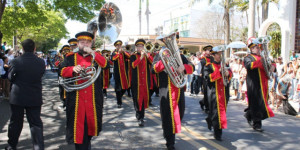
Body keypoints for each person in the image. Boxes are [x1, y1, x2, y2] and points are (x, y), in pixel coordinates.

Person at [59, 32, 108, 150]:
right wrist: (72, 69)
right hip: (76, 100)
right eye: (82, 42)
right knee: (77, 131)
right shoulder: (70, 57)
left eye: (87, 42)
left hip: (93, 99)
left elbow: (105, 64)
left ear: (91, 44)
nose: (85, 44)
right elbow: (61, 71)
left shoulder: (96, 57)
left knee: (90, 129)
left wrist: (93, 53)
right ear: (78, 44)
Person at [5, 39, 45, 150]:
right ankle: (38, 147)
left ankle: (12, 145)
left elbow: (10, 77)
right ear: (34, 49)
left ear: (22, 48)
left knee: (15, 123)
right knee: (35, 123)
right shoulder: (41, 62)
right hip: (34, 96)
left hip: (18, 96)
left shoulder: (16, 61)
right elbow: (41, 74)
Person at [152, 47, 194, 150]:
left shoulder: (179, 56)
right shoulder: (160, 55)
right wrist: (164, 61)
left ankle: (170, 135)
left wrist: (184, 67)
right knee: (167, 117)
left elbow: (192, 66)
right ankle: (170, 141)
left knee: (180, 113)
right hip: (165, 91)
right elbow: (153, 69)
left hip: (178, 90)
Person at [243, 38, 275, 132]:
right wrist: (261, 61)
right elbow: (249, 65)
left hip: (264, 84)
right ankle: (257, 124)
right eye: (256, 47)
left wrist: (273, 66)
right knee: (257, 104)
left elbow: (272, 63)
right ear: (251, 49)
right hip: (254, 84)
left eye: (258, 47)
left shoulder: (262, 57)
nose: (258, 49)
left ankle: (249, 115)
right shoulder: (248, 57)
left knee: (259, 103)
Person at [204, 46, 232, 141]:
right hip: (214, 93)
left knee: (221, 112)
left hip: (224, 93)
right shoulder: (208, 66)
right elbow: (208, 78)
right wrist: (219, 73)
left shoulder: (225, 65)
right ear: (214, 55)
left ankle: (210, 119)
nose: (220, 56)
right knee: (216, 113)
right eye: (218, 54)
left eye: (221, 54)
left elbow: (230, 75)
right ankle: (218, 133)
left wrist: (228, 74)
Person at [130, 39, 152, 126]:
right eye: (139, 46)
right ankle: (139, 116)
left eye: (142, 46)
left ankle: (141, 117)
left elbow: (153, 62)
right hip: (136, 82)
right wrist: (141, 57)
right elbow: (133, 65)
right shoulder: (133, 56)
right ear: (136, 47)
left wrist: (147, 55)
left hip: (145, 82)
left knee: (143, 100)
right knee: (137, 100)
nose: (140, 48)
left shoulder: (147, 56)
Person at [111, 40, 130, 108]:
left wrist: (124, 52)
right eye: (117, 45)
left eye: (120, 45)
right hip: (117, 73)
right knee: (118, 88)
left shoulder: (123, 53)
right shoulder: (114, 53)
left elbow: (129, 56)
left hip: (124, 73)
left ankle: (119, 97)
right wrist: (118, 53)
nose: (119, 46)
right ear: (115, 46)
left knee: (125, 87)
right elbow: (113, 59)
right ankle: (119, 102)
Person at [199, 45, 214, 113]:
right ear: (205, 51)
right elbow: (205, 66)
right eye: (208, 50)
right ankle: (207, 107)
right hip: (205, 77)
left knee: (210, 92)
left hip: (212, 77)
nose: (209, 52)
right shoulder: (203, 59)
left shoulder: (212, 58)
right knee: (206, 92)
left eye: (210, 50)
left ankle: (202, 102)